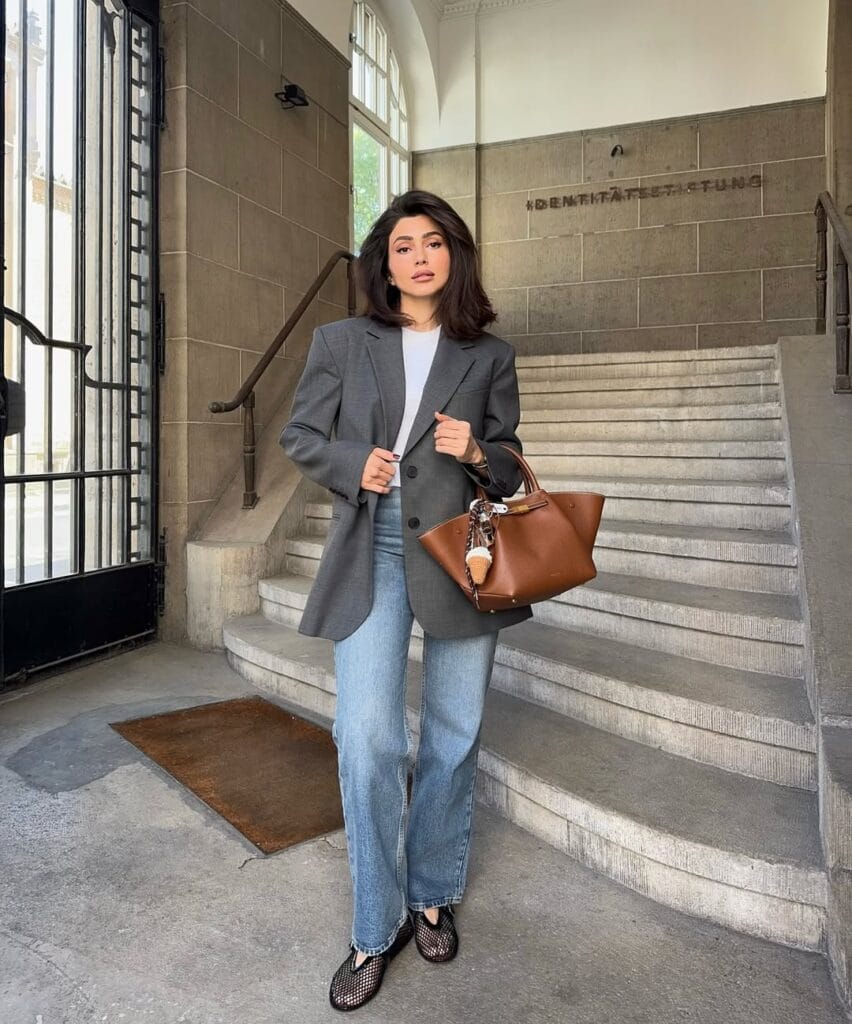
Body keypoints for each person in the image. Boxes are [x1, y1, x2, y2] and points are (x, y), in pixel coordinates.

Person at [280, 189, 531, 1012]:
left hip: (461, 551)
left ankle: (432, 891)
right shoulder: (340, 342)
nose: (417, 255)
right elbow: (302, 437)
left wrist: (479, 449)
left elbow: (512, 465)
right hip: (375, 548)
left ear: (453, 255)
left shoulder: (487, 354)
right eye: (401, 245)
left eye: (432, 242)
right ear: (382, 264)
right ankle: (374, 921)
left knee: (454, 735)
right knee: (368, 736)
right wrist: (355, 462)